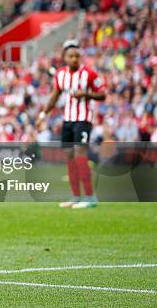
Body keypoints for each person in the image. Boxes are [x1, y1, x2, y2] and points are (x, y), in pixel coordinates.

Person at [37, 40, 106, 209]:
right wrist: (43, 114)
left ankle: (90, 198)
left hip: (83, 120)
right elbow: (54, 97)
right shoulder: (61, 74)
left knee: (80, 154)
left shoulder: (89, 74)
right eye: (71, 56)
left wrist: (87, 94)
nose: (74, 59)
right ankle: (76, 196)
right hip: (67, 121)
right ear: (65, 58)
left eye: (77, 56)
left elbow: (102, 95)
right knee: (69, 157)